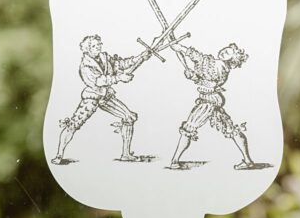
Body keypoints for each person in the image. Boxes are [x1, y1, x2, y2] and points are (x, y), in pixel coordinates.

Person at [51, 34, 150, 164]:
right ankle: (58, 155)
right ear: (87, 49)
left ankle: (126, 154)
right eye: (94, 46)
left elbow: (120, 64)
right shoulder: (85, 65)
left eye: (99, 45)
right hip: (92, 97)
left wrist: (140, 57)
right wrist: (119, 78)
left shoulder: (104, 57)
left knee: (129, 117)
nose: (98, 47)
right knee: (73, 124)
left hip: (106, 96)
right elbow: (99, 80)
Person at [167, 41, 264, 170]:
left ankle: (174, 161)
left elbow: (199, 58)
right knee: (231, 129)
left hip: (208, 102)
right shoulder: (220, 65)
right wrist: (193, 76)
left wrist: (181, 48)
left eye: (228, 52)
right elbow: (206, 80)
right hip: (211, 99)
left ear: (232, 59)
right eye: (226, 49)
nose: (224, 51)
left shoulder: (218, 65)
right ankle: (247, 160)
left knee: (188, 128)